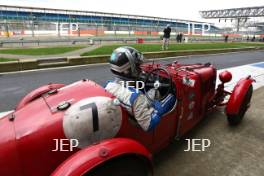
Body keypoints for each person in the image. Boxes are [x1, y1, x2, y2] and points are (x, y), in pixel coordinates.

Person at [105, 46, 176, 131]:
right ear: (128, 70)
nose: (140, 69)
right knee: (168, 96)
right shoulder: (136, 98)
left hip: (126, 113)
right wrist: (159, 111)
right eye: (137, 66)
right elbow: (149, 125)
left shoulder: (109, 86)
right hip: (137, 121)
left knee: (154, 91)